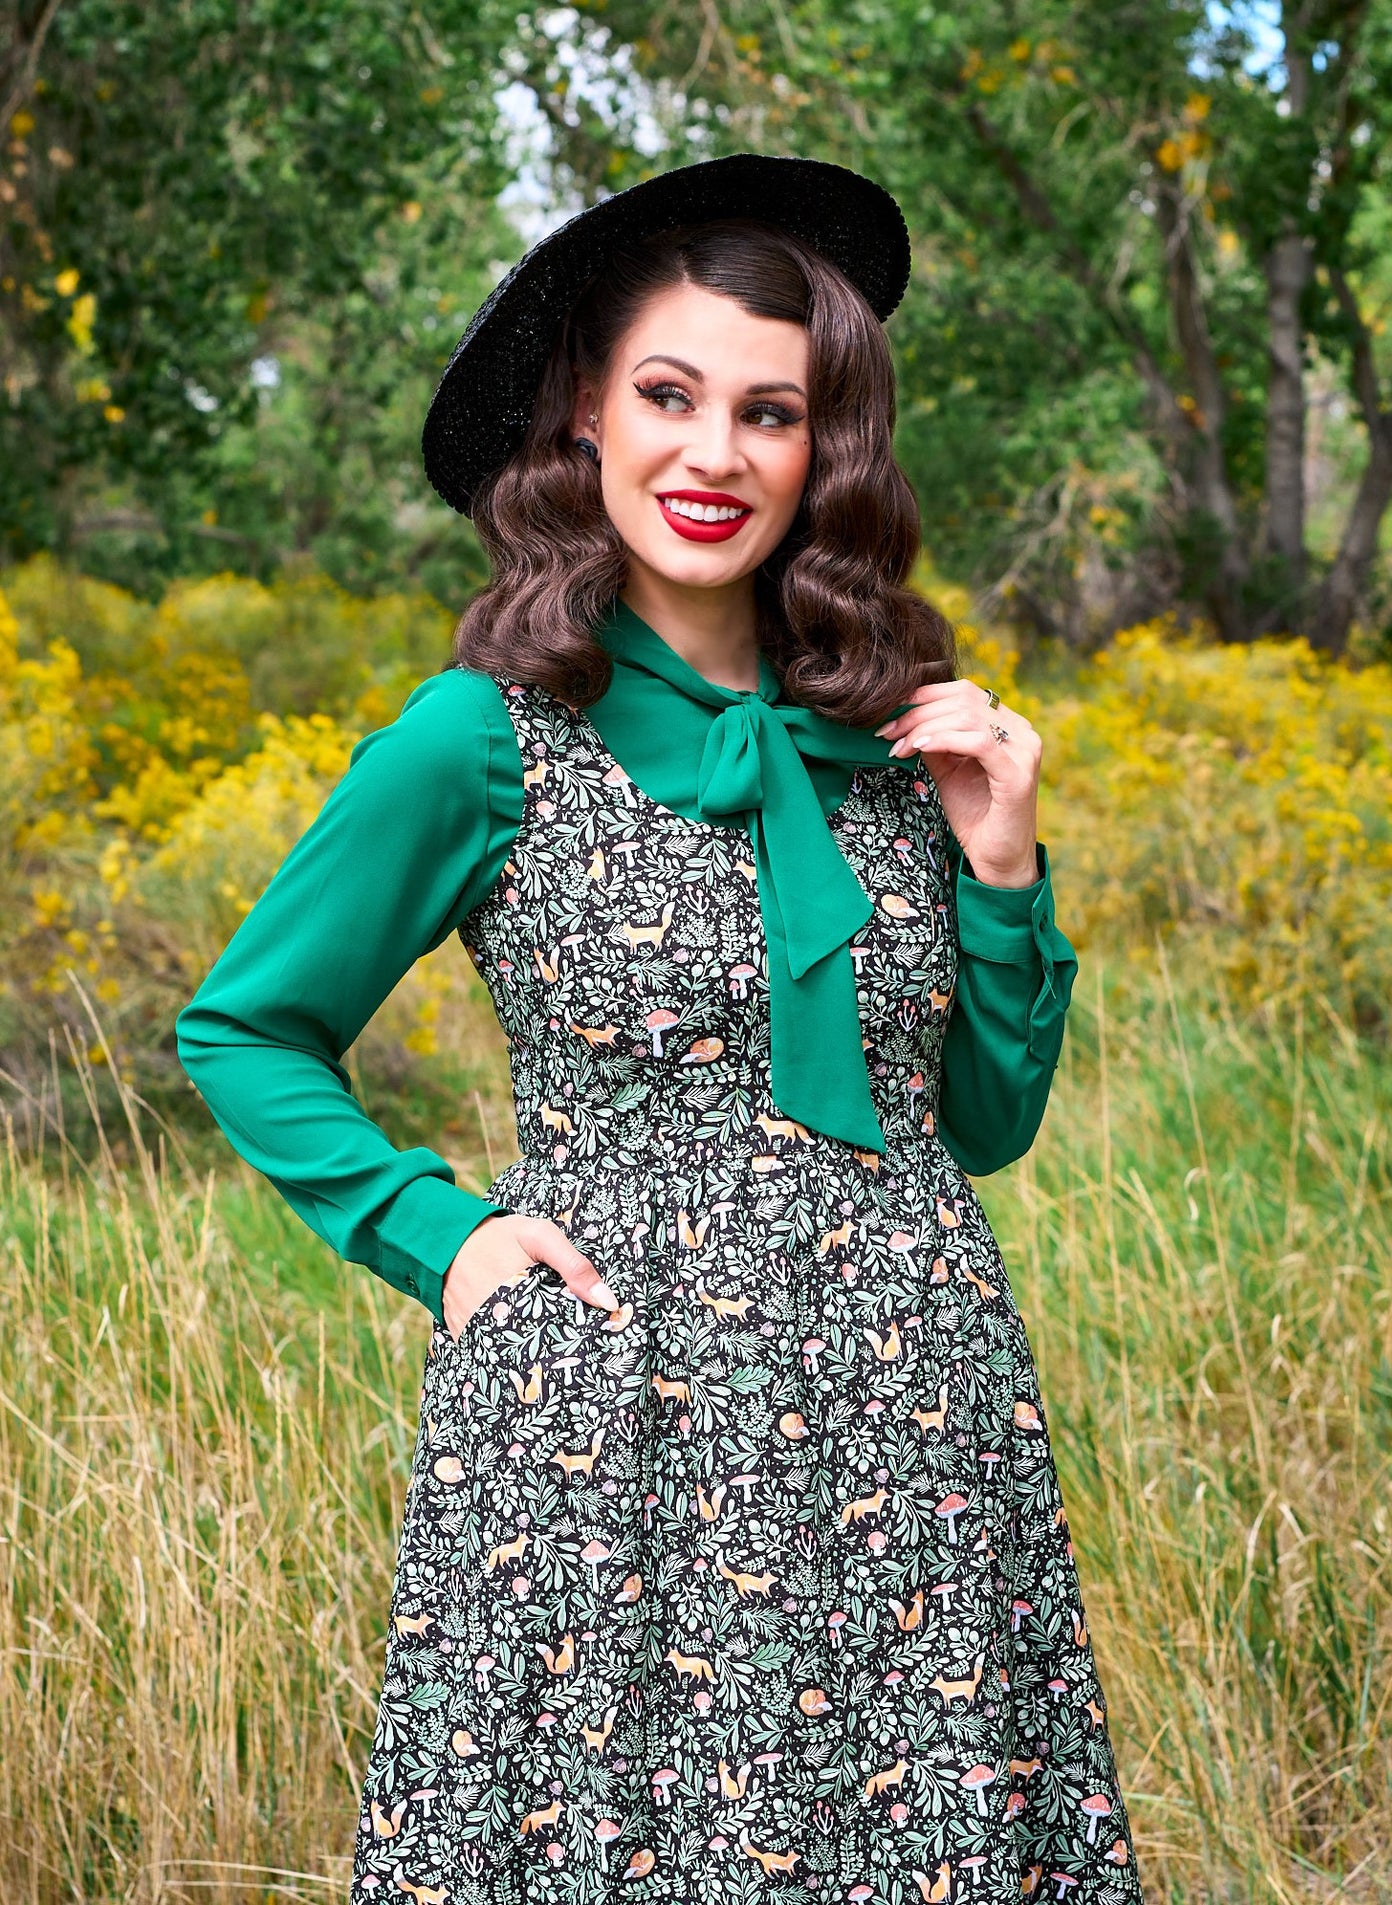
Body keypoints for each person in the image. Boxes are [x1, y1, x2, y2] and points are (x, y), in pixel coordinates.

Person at [175, 153, 1142, 1905]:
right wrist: (443, 1236)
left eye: (767, 413)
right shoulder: (482, 737)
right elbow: (245, 1024)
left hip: (912, 1423)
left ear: (820, 451)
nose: (713, 455)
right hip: (608, 1420)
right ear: (584, 419)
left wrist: (999, 865)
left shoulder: (890, 732)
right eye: (668, 395)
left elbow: (978, 1123)